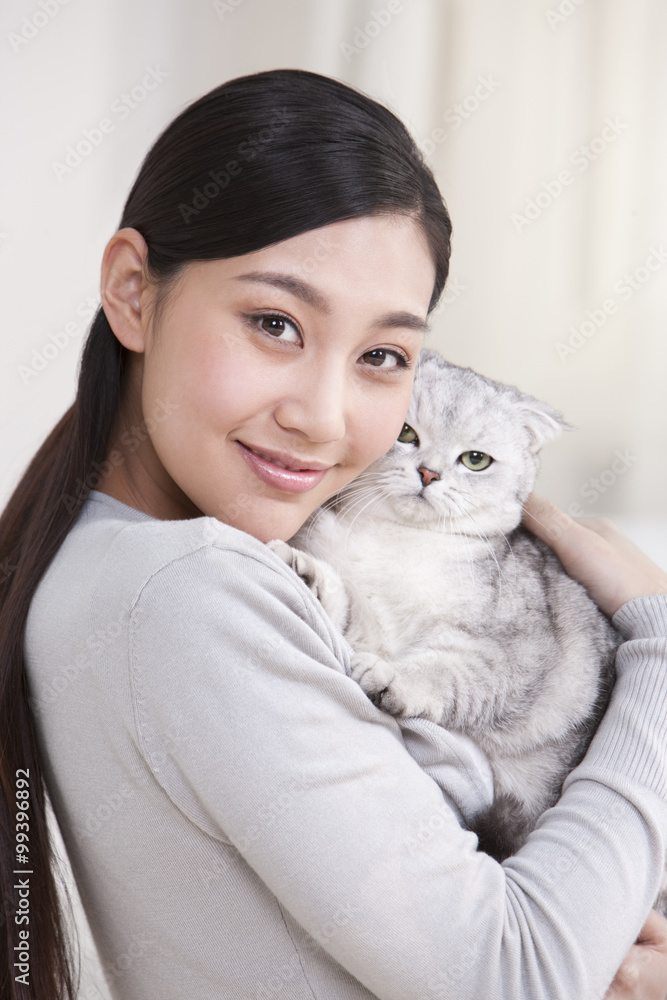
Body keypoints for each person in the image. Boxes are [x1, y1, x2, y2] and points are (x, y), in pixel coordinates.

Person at [1, 68, 667, 1000]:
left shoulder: (99, 556)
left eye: (382, 357)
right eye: (275, 323)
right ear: (132, 292)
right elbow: (521, 975)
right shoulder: (192, 589)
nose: (322, 415)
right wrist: (658, 638)